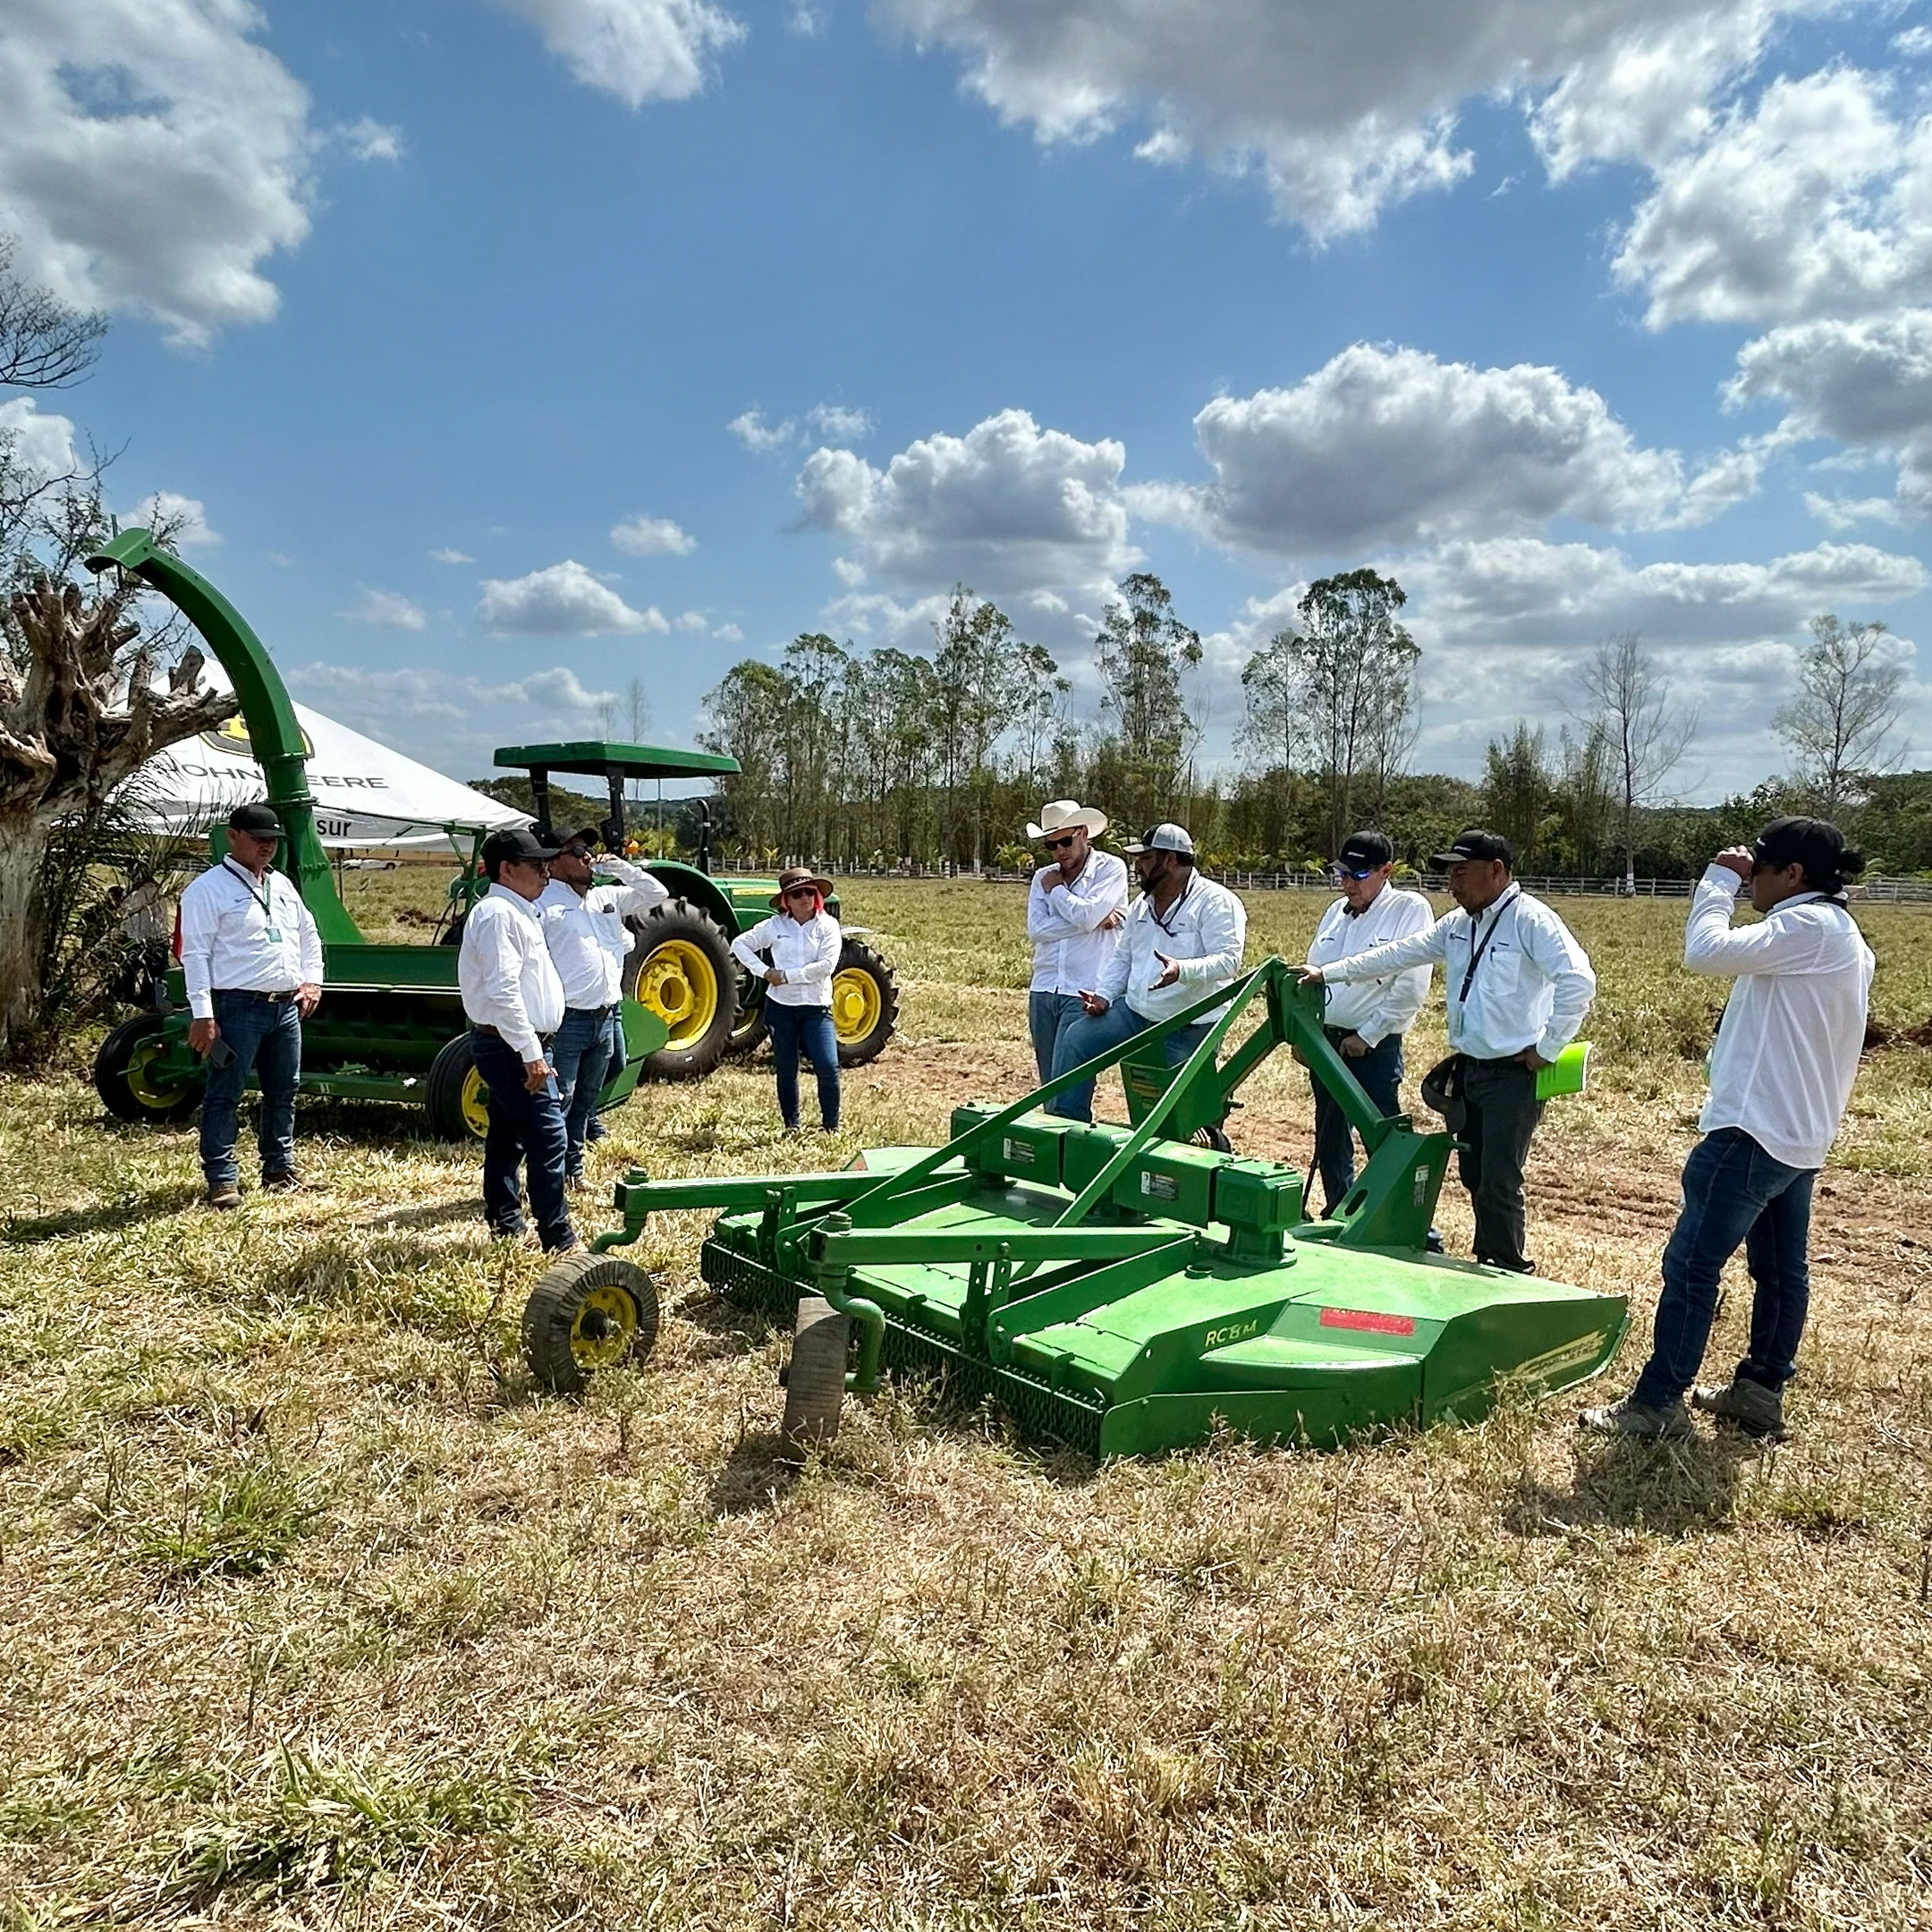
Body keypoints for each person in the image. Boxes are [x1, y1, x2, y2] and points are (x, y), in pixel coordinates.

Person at [1582, 819, 1875, 1442]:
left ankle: (1658, 1402)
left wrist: (1717, 880)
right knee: (1781, 1271)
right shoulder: (1846, 936)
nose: (1750, 883)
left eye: (1757, 871)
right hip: (1799, 1136)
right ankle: (1759, 1391)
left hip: (1751, 1131)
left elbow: (1705, 951)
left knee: (1692, 1265)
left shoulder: (1805, 926)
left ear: (1792, 874)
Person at [1297, 829, 1594, 1273]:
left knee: (1499, 1178)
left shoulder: (1531, 920)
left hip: (1514, 1072)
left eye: (1461, 872)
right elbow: (1397, 955)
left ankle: (1509, 1270)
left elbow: (1578, 981)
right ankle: (1485, 1262)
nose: (1452, 883)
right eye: (1450, 873)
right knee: (1474, 1175)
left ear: (1496, 870)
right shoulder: (1458, 925)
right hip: (1469, 1070)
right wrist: (1327, 974)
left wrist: (1548, 1048)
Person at [1047, 824, 1247, 1123]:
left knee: (1177, 1114)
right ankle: (1068, 1127)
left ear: (1170, 859)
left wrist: (1183, 970)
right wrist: (1104, 996)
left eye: (1146, 858)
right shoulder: (1142, 904)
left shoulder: (1216, 901)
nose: (1138, 866)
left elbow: (1229, 961)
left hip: (1188, 1023)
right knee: (1077, 1039)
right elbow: (1123, 957)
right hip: (1136, 1013)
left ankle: (1198, 1138)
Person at [178, 802, 323, 1210]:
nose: (267, 847)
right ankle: (222, 1178)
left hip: (285, 1006)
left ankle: (278, 1167)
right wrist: (203, 1014)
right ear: (233, 836)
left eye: (273, 840)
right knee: (226, 1092)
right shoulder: (208, 889)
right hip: (237, 1005)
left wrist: (312, 980)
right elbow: (195, 954)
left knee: (284, 1089)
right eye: (259, 839)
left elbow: (308, 934)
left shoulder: (281, 885)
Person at [458, 825, 577, 1253]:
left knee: (507, 1136)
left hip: (516, 1042)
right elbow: (504, 991)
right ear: (506, 869)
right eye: (535, 865)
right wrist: (531, 1053)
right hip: (512, 1045)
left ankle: (506, 1221)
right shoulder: (498, 915)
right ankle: (557, 1237)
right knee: (550, 1138)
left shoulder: (518, 910)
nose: (546, 872)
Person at [1303, 831, 1434, 1216]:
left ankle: (1397, 1218)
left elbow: (1411, 985)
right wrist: (1307, 1034)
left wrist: (1369, 1035)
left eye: (1358, 875)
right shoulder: (1335, 912)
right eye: (1342, 874)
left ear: (1385, 871)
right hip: (1327, 1042)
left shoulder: (1409, 909)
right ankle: (1339, 1212)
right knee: (1329, 1137)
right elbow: (1314, 973)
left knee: (1383, 1137)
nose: (1348, 884)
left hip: (1373, 1047)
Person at [538, 826, 668, 1185]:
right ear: (553, 862)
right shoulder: (543, 904)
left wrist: (622, 868)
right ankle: (550, 1177)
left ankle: (573, 1171)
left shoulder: (605, 897)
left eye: (588, 851)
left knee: (584, 1099)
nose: (586, 857)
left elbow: (658, 893)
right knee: (562, 1100)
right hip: (569, 1019)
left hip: (607, 1014)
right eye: (577, 851)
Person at [730, 865, 843, 1134]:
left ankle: (831, 1126)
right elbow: (739, 945)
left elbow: (826, 966)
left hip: (817, 1008)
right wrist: (763, 972)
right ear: (786, 901)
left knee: (827, 1065)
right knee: (786, 1067)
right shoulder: (774, 926)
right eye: (797, 894)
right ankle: (792, 1125)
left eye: (809, 892)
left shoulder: (828, 925)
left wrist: (786, 976)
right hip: (781, 1008)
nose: (805, 898)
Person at [1024, 799, 1128, 1086]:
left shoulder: (1110, 869)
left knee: (1071, 1083)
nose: (1059, 851)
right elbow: (1037, 930)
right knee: (1048, 1084)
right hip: (1044, 988)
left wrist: (1058, 891)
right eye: (1051, 845)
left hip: (1084, 991)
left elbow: (1086, 916)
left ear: (1083, 833)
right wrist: (1092, 921)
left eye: (1065, 842)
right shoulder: (1041, 876)